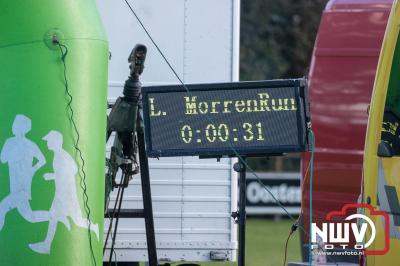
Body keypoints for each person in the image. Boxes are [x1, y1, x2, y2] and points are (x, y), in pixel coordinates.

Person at [29, 130, 99, 254]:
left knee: (74, 220)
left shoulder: (61, 156)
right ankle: (46, 245)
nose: (47, 143)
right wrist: (55, 176)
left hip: (66, 195)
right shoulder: (59, 155)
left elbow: (73, 170)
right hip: (63, 194)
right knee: (55, 217)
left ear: (55, 142)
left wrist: (52, 176)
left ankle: (93, 227)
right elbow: (72, 170)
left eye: (49, 141)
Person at [0, 114, 48, 231]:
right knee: (29, 216)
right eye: (14, 123)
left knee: (2, 208)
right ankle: (54, 216)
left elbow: (43, 160)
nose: (14, 126)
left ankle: (55, 216)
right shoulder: (10, 142)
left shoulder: (30, 145)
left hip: (23, 189)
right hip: (14, 188)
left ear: (23, 128)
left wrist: (32, 169)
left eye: (17, 124)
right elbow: (3, 159)